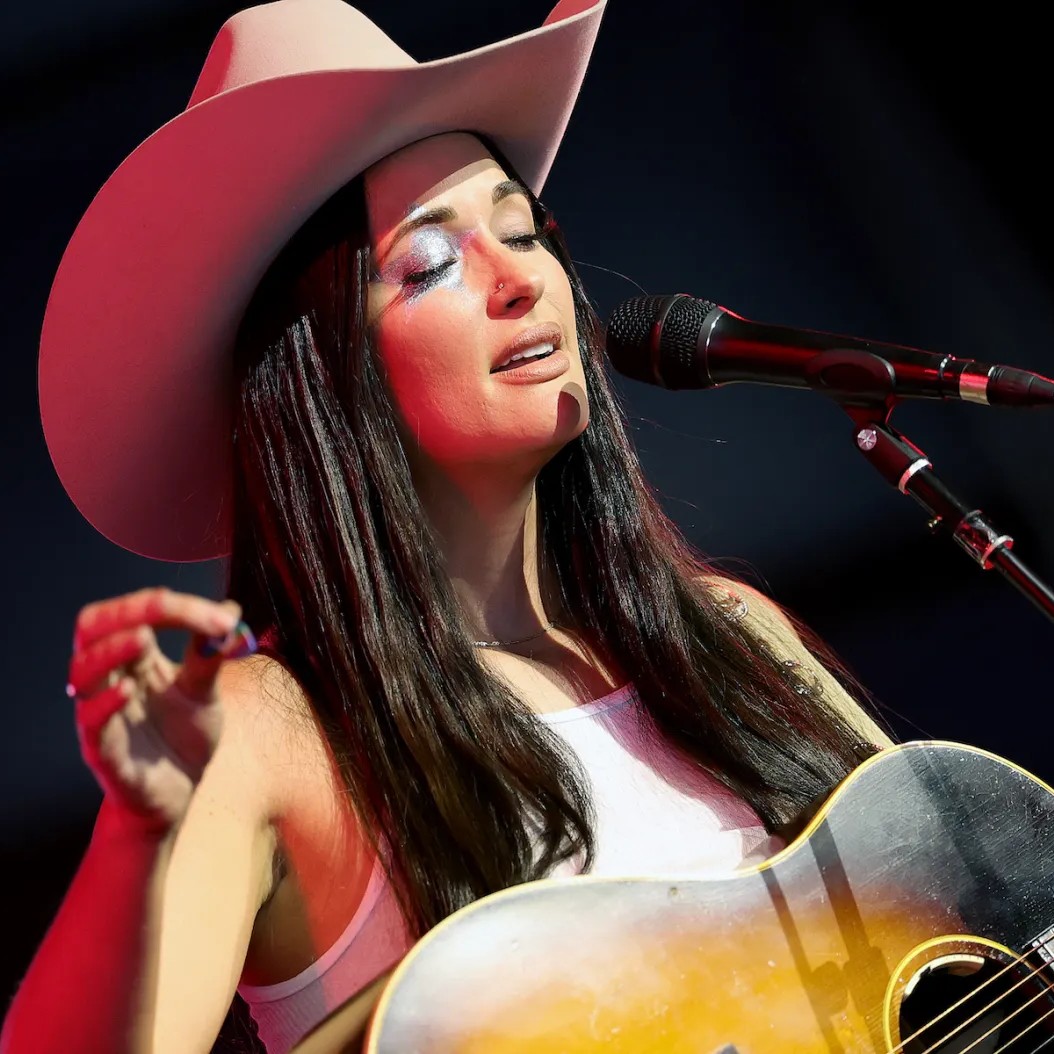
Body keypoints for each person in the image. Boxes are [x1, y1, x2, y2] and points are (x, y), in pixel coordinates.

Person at [1, 1, 893, 1052]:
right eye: (430, 265)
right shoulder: (264, 731)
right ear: (322, 376)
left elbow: (975, 913)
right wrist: (140, 840)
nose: (522, 282)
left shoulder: (731, 632)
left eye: (523, 232)